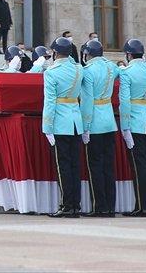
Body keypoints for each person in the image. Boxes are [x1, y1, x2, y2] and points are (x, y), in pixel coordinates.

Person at [41, 36, 84, 218]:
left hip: (60, 122)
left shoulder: (51, 72)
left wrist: (47, 127)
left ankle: (67, 205)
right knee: (75, 165)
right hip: (76, 121)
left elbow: (50, 102)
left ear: (55, 53)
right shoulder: (78, 69)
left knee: (63, 166)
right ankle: (75, 204)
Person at [118, 38, 146, 217]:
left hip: (135, 122)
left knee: (139, 166)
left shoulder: (127, 73)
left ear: (128, 54)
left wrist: (125, 127)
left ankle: (142, 206)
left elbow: (124, 102)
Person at [78, 38, 118, 217]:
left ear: (87, 54)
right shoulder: (111, 67)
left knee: (95, 166)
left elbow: (86, 102)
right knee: (108, 166)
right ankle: (110, 204)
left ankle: (100, 206)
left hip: (94, 122)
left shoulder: (88, 71)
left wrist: (85, 126)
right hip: (109, 120)